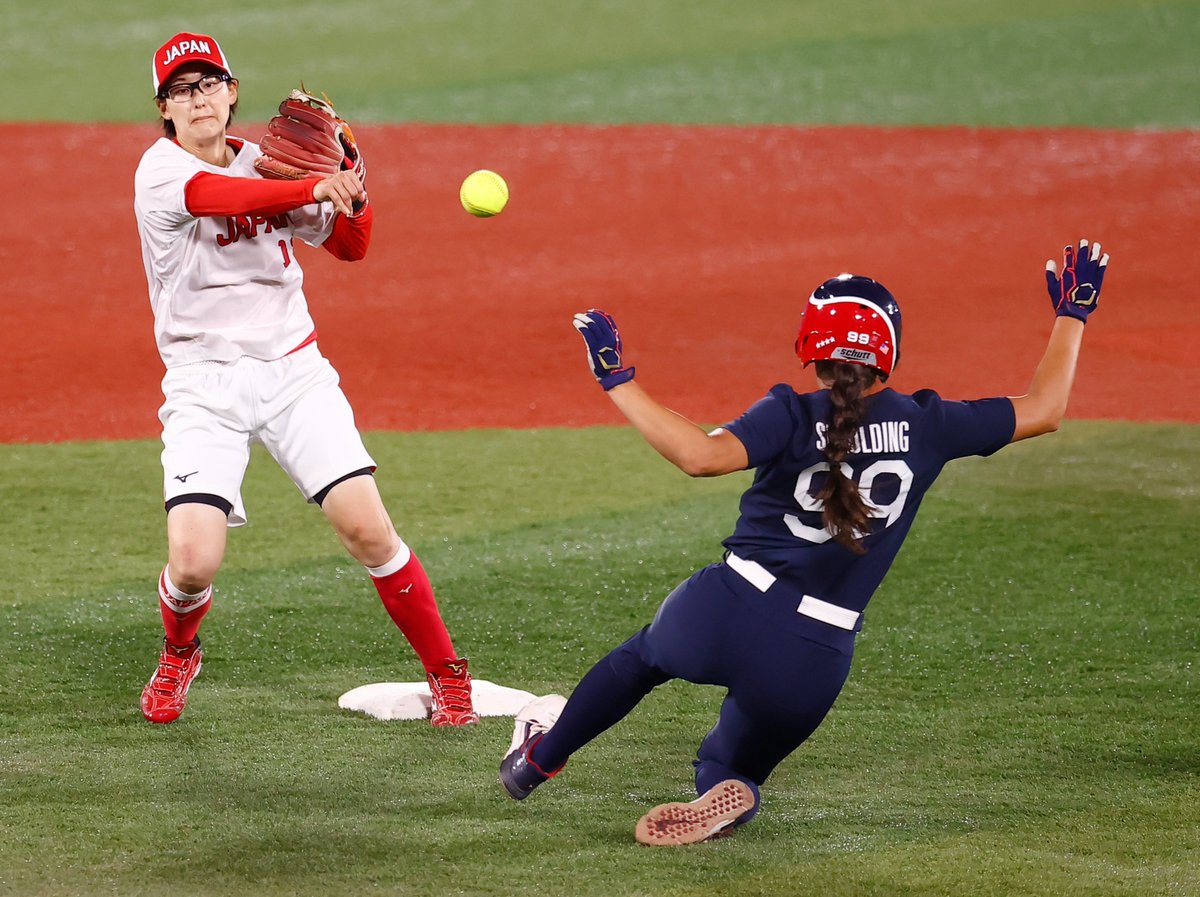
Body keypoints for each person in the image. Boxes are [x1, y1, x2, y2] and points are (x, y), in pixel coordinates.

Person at [499, 240, 1110, 844]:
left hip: (725, 607)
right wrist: (1071, 315)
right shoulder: (932, 423)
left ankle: (538, 762)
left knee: (638, 663)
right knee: (733, 764)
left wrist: (617, 379)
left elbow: (700, 457)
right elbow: (1046, 408)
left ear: (810, 346)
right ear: (887, 352)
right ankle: (726, 792)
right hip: (815, 654)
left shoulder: (789, 412)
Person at [134, 32, 478, 727]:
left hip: (294, 372)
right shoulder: (160, 173)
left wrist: (354, 181)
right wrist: (312, 183)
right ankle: (179, 652)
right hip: (203, 383)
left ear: (232, 93)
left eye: (209, 84)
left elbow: (350, 245)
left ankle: (447, 674)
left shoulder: (272, 162)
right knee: (194, 561)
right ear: (164, 110)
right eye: (182, 90)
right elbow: (215, 198)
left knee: (369, 531)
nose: (198, 99)